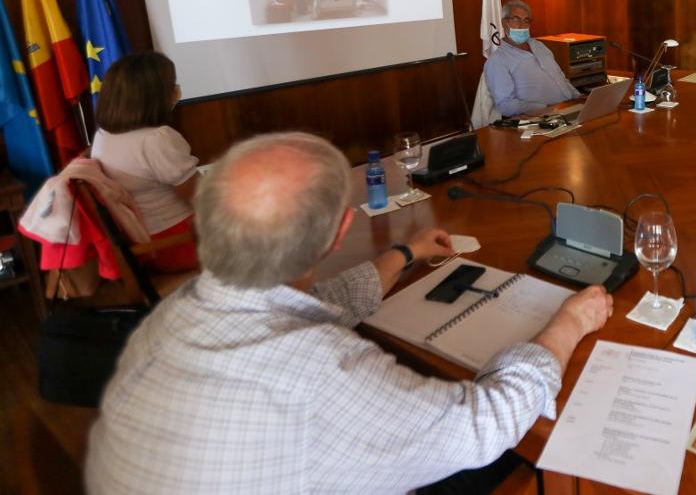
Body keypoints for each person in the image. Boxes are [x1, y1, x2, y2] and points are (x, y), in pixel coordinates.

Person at [85, 132, 613, 494]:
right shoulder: (318, 371)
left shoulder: (174, 312)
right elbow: (485, 423)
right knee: (520, 451)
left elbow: (313, 306)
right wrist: (570, 320)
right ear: (339, 233)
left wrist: (403, 256)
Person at [90, 52, 198, 272]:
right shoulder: (156, 139)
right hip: (179, 243)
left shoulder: (103, 135)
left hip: (145, 242)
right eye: (172, 84)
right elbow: (204, 199)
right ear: (156, 95)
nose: (177, 90)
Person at [483, 0, 580, 117]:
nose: (521, 25)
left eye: (526, 20)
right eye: (516, 19)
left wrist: (579, 98)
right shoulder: (497, 61)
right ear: (504, 23)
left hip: (568, 107)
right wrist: (545, 108)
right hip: (538, 117)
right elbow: (506, 105)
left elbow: (561, 79)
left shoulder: (539, 46)